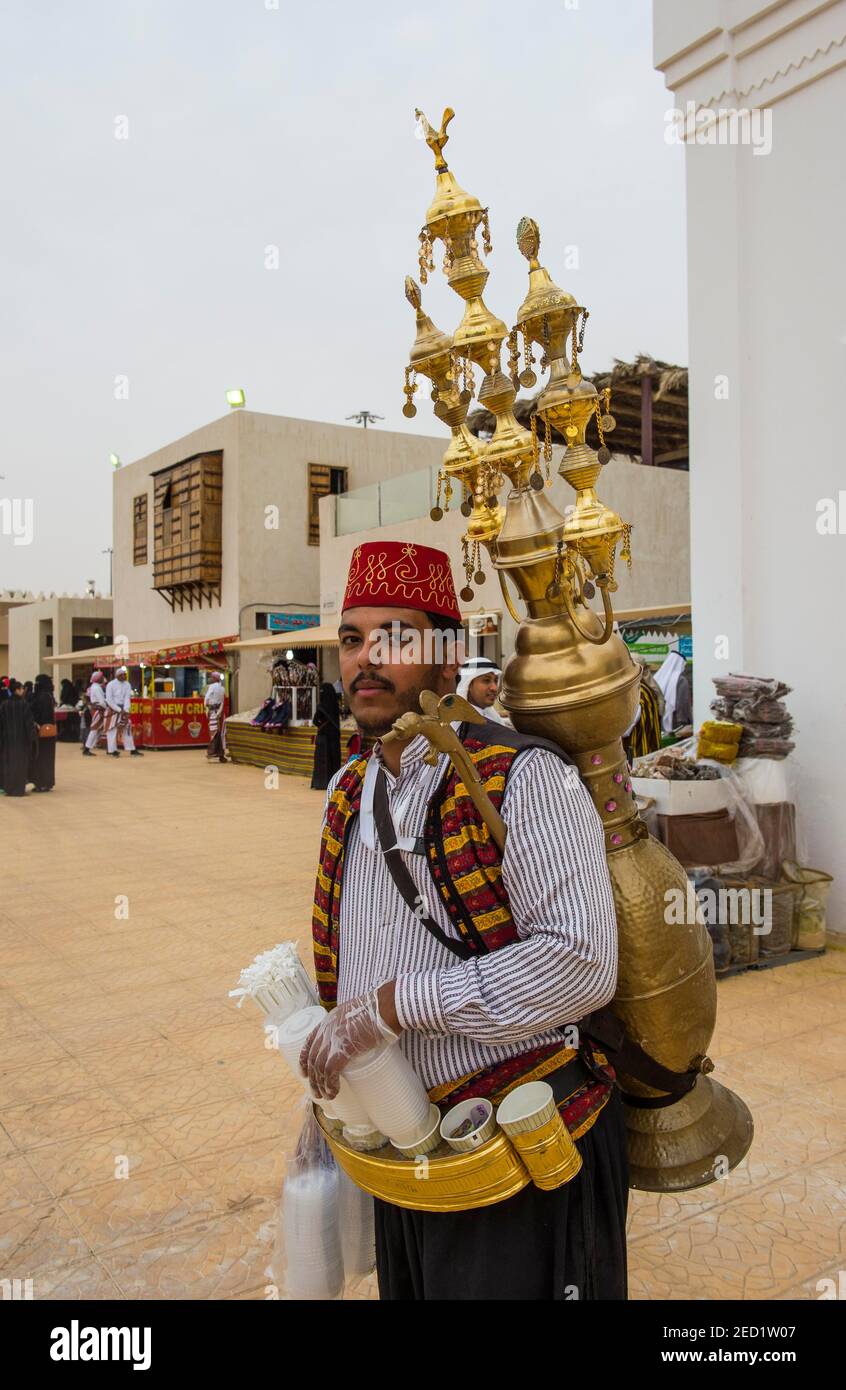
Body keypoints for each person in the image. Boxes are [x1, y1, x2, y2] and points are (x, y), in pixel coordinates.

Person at [302, 540, 626, 1301]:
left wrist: (392, 1008)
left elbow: (581, 962)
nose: (365, 658)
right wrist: (331, 1093)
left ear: (449, 660)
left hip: (526, 1149)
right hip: (409, 1147)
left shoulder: (524, 776)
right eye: (352, 639)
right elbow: (352, 963)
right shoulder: (350, 788)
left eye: (396, 637)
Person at [0, 680, 37, 796]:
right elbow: (28, 723)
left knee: (9, 764)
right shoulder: (23, 704)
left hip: (8, 741)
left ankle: (9, 788)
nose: (23, 691)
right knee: (21, 764)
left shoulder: (4, 705)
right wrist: (32, 738)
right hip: (21, 741)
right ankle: (18, 789)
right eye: (21, 689)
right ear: (17, 690)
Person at [456, 655, 510, 725]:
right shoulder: (461, 722)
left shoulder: (488, 712)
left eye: (496, 681)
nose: (494, 688)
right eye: (486, 681)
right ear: (468, 684)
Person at [104, 667, 143, 757]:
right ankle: (112, 751)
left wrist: (126, 710)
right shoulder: (110, 684)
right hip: (112, 709)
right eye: (121, 675)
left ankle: (132, 750)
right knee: (112, 730)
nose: (124, 676)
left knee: (127, 728)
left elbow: (127, 698)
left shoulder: (127, 684)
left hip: (123, 710)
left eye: (125, 674)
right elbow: (109, 700)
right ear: (117, 676)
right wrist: (118, 709)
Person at [311, 681, 341, 790]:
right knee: (334, 759)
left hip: (323, 737)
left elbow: (315, 721)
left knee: (323, 760)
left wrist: (321, 725)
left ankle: (321, 783)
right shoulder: (335, 705)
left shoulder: (322, 706)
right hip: (334, 736)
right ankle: (334, 782)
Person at [29, 674, 57, 791]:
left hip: (41, 732)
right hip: (49, 733)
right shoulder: (49, 696)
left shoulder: (41, 697)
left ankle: (41, 783)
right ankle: (47, 782)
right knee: (48, 758)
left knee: (40, 757)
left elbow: (41, 715)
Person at [654, 650, 692, 733]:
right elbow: (682, 702)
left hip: (657, 719)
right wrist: (685, 721)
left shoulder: (657, 676)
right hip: (676, 720)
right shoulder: (681, 680)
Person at [203, 673, 227, 762]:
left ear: (214, 679)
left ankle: (213, 752)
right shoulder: (222, 688)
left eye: (212, 677)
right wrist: (219, 712)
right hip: (219, 714)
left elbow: (206, 699)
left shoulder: (212, 687)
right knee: (221, 733)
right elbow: (222, 702)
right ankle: (220, 754)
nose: (210, 679)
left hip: (213, 713)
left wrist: (206, 708)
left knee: (214, 732)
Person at [82, 670, 106, 755]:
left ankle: (88, 747)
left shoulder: (94, 686)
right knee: (95, 729)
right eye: (101, 677)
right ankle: (87, 748)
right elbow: (102, 701)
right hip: (98, 710)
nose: (103, 678)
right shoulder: (97, 688)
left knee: (97, 729)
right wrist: (107, 708)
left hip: (96, 709)